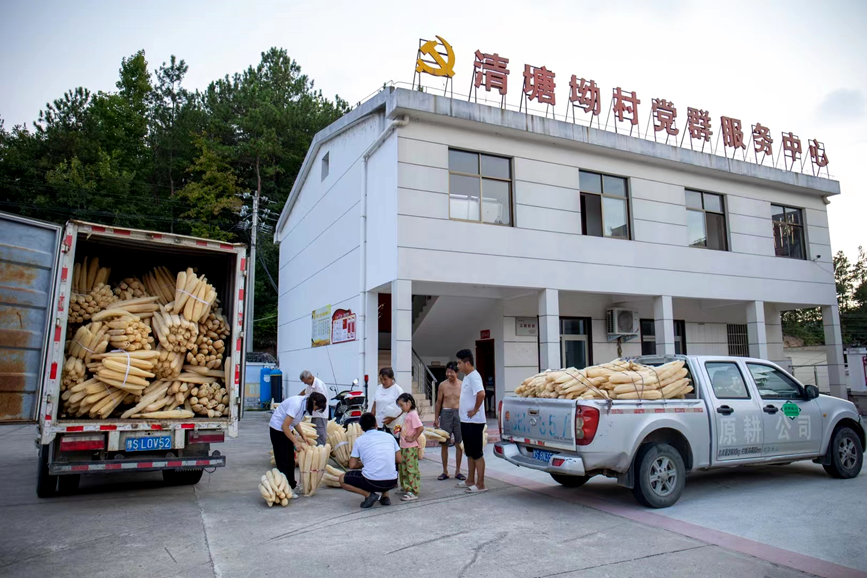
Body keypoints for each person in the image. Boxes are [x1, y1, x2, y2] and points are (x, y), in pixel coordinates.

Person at [269, 392, 328, 497]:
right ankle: (285, 488)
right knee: (283, 460)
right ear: (313, 402)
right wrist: (295, 442)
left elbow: (295, 422)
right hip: (278, 429)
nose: (315, 410)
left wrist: (303, 436)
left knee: (290, 459)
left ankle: (291, 485)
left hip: (287, 429)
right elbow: (284, 427)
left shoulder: (306, 405)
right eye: (316, 407)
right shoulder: (296, 404)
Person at [339, 412, 402, 508]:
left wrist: (365, 463)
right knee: (384, 465)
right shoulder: (389, 437)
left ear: (361, 428)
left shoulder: (359, 440)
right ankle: (385, 497)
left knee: (342, 479)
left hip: (371, 482)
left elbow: (352, 465)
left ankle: (369, 495)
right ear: (376, 424)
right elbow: (399, 459)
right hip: (392, 481)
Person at [456, 349, 487, 493]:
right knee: (468, 451)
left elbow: (481, 394)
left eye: (460, 363)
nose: (458, 366)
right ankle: (470, 479)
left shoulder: (474, 376)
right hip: (466, 420)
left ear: (467, 363)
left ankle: (481, 484)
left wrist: (475, 410)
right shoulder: (467, 377)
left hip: (474, 422)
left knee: (476, 453)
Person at [434, 361, 464, 481]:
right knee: (444, 444)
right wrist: (436, 418)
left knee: (459, 443)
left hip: (459, 414)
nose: (449, 374)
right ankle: (445, 471)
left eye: (451, 372)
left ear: (457, 372)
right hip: (445, 413)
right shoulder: (442, 385)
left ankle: (458, 471)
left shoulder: (462, 384)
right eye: (447, 372)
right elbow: (438, 402)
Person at [396, 393, 423, 501]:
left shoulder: (413, 414)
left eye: (402, 405)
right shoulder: (407, 414)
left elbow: (420, 428)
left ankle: (413, 490)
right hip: (404, 445)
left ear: (409, 403)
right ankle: (406, 486)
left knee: (411, 468)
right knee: (404, 467)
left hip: (410, 446)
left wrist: (413, 438)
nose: (401, 408)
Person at [300, 370, 329, 446]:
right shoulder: (310, 385)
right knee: (314, 434)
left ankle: (321, 450)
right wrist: (298, 397)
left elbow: (321, 401)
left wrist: (312, 407)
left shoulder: (319, 386)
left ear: (310, 377)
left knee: (320, 434)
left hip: (320, 415)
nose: (305, 383)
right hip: (314, 414)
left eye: (305, 382)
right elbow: (305, 392)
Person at [371, 367, 404, 433]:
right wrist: (372, 421)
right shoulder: (378, 389)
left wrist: (392, 419)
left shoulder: (398, 390)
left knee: (395, 441)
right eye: (381, 379)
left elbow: (403, 408)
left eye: (385, 379)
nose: (383, 382)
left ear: (391, 378)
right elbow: (374, 406)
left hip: (395, 425)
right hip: (379, 425)